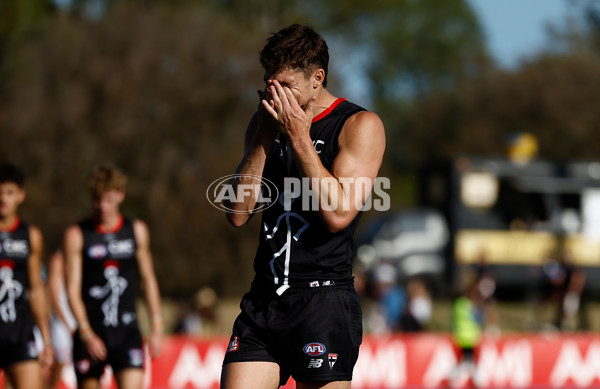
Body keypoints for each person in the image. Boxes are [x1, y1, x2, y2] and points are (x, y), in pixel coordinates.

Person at [220, 24, 386, 389]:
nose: (276, 96)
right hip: (264, 299)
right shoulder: (264, 122)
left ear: (317, 78)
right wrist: (263, 138)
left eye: (287, 86)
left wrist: (300, 139)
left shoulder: (359, 125)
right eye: (269, 84)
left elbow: (338, 215)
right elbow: (237, 213)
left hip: (323, 301)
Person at [63, 164, 164, 389]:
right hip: (91, 331)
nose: (102, 206)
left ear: (121, 195)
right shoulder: (77, 234)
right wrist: (86, 332)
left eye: (108, 199)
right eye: (97, 200)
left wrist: (157, 326)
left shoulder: (136, 230)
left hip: (127, 331)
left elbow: (148, 279)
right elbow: (71, 288)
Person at [0, 163, 54, 389]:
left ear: (21, 196)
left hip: (20, 334)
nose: (3, 198)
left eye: (9, 193)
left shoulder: (30, 236)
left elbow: (36, 288)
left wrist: (46, 339)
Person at [46, 249, 77, 389]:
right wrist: (68, 325)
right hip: (62, 322)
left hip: (77, 319)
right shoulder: (58, 259)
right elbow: (54, 298)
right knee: (58, 366)